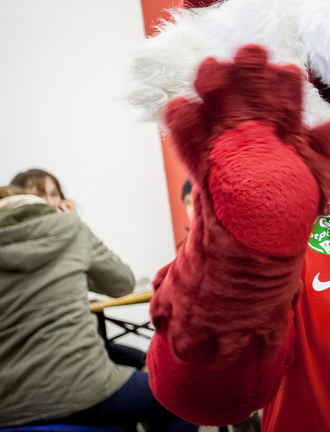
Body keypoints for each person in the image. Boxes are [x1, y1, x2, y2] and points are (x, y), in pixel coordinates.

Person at [0, 185, 197, 432]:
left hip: (7, 407)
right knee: (186, 396)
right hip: (82, 390)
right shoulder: (69, 229)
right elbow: (121, 283)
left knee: (129, 361)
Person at [11, 168, 148, 370]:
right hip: (59, 359)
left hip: (71, 352)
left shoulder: (61, 243)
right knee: (148, 367)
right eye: (39, 196)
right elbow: (123, 283)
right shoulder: (28, 251)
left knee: (144, 358)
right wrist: (76, 226)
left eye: (54, 195)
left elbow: (116, 281)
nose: (50, 202)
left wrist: (74, 228)